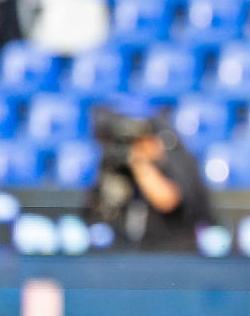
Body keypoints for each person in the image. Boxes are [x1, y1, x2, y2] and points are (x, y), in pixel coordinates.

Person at [85, 100, 213, 253]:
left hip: (170, 253)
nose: (133, 144)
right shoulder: (115, 163)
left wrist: (141, 163)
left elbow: (168, 200)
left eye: (139, 138)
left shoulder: (175, 156)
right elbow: (98, 208)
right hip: (124, 254)